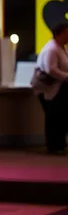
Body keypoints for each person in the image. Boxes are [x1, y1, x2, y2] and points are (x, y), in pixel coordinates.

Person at [34, 21, 68, 155]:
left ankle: (60, 143)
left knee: (61, 116)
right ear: (59, 35)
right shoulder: (52, 49)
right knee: (53, 116)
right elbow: (50, 69)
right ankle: (53, 145)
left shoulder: (61, 48)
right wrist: (66, 76)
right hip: (49, 89)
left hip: (59, 88)